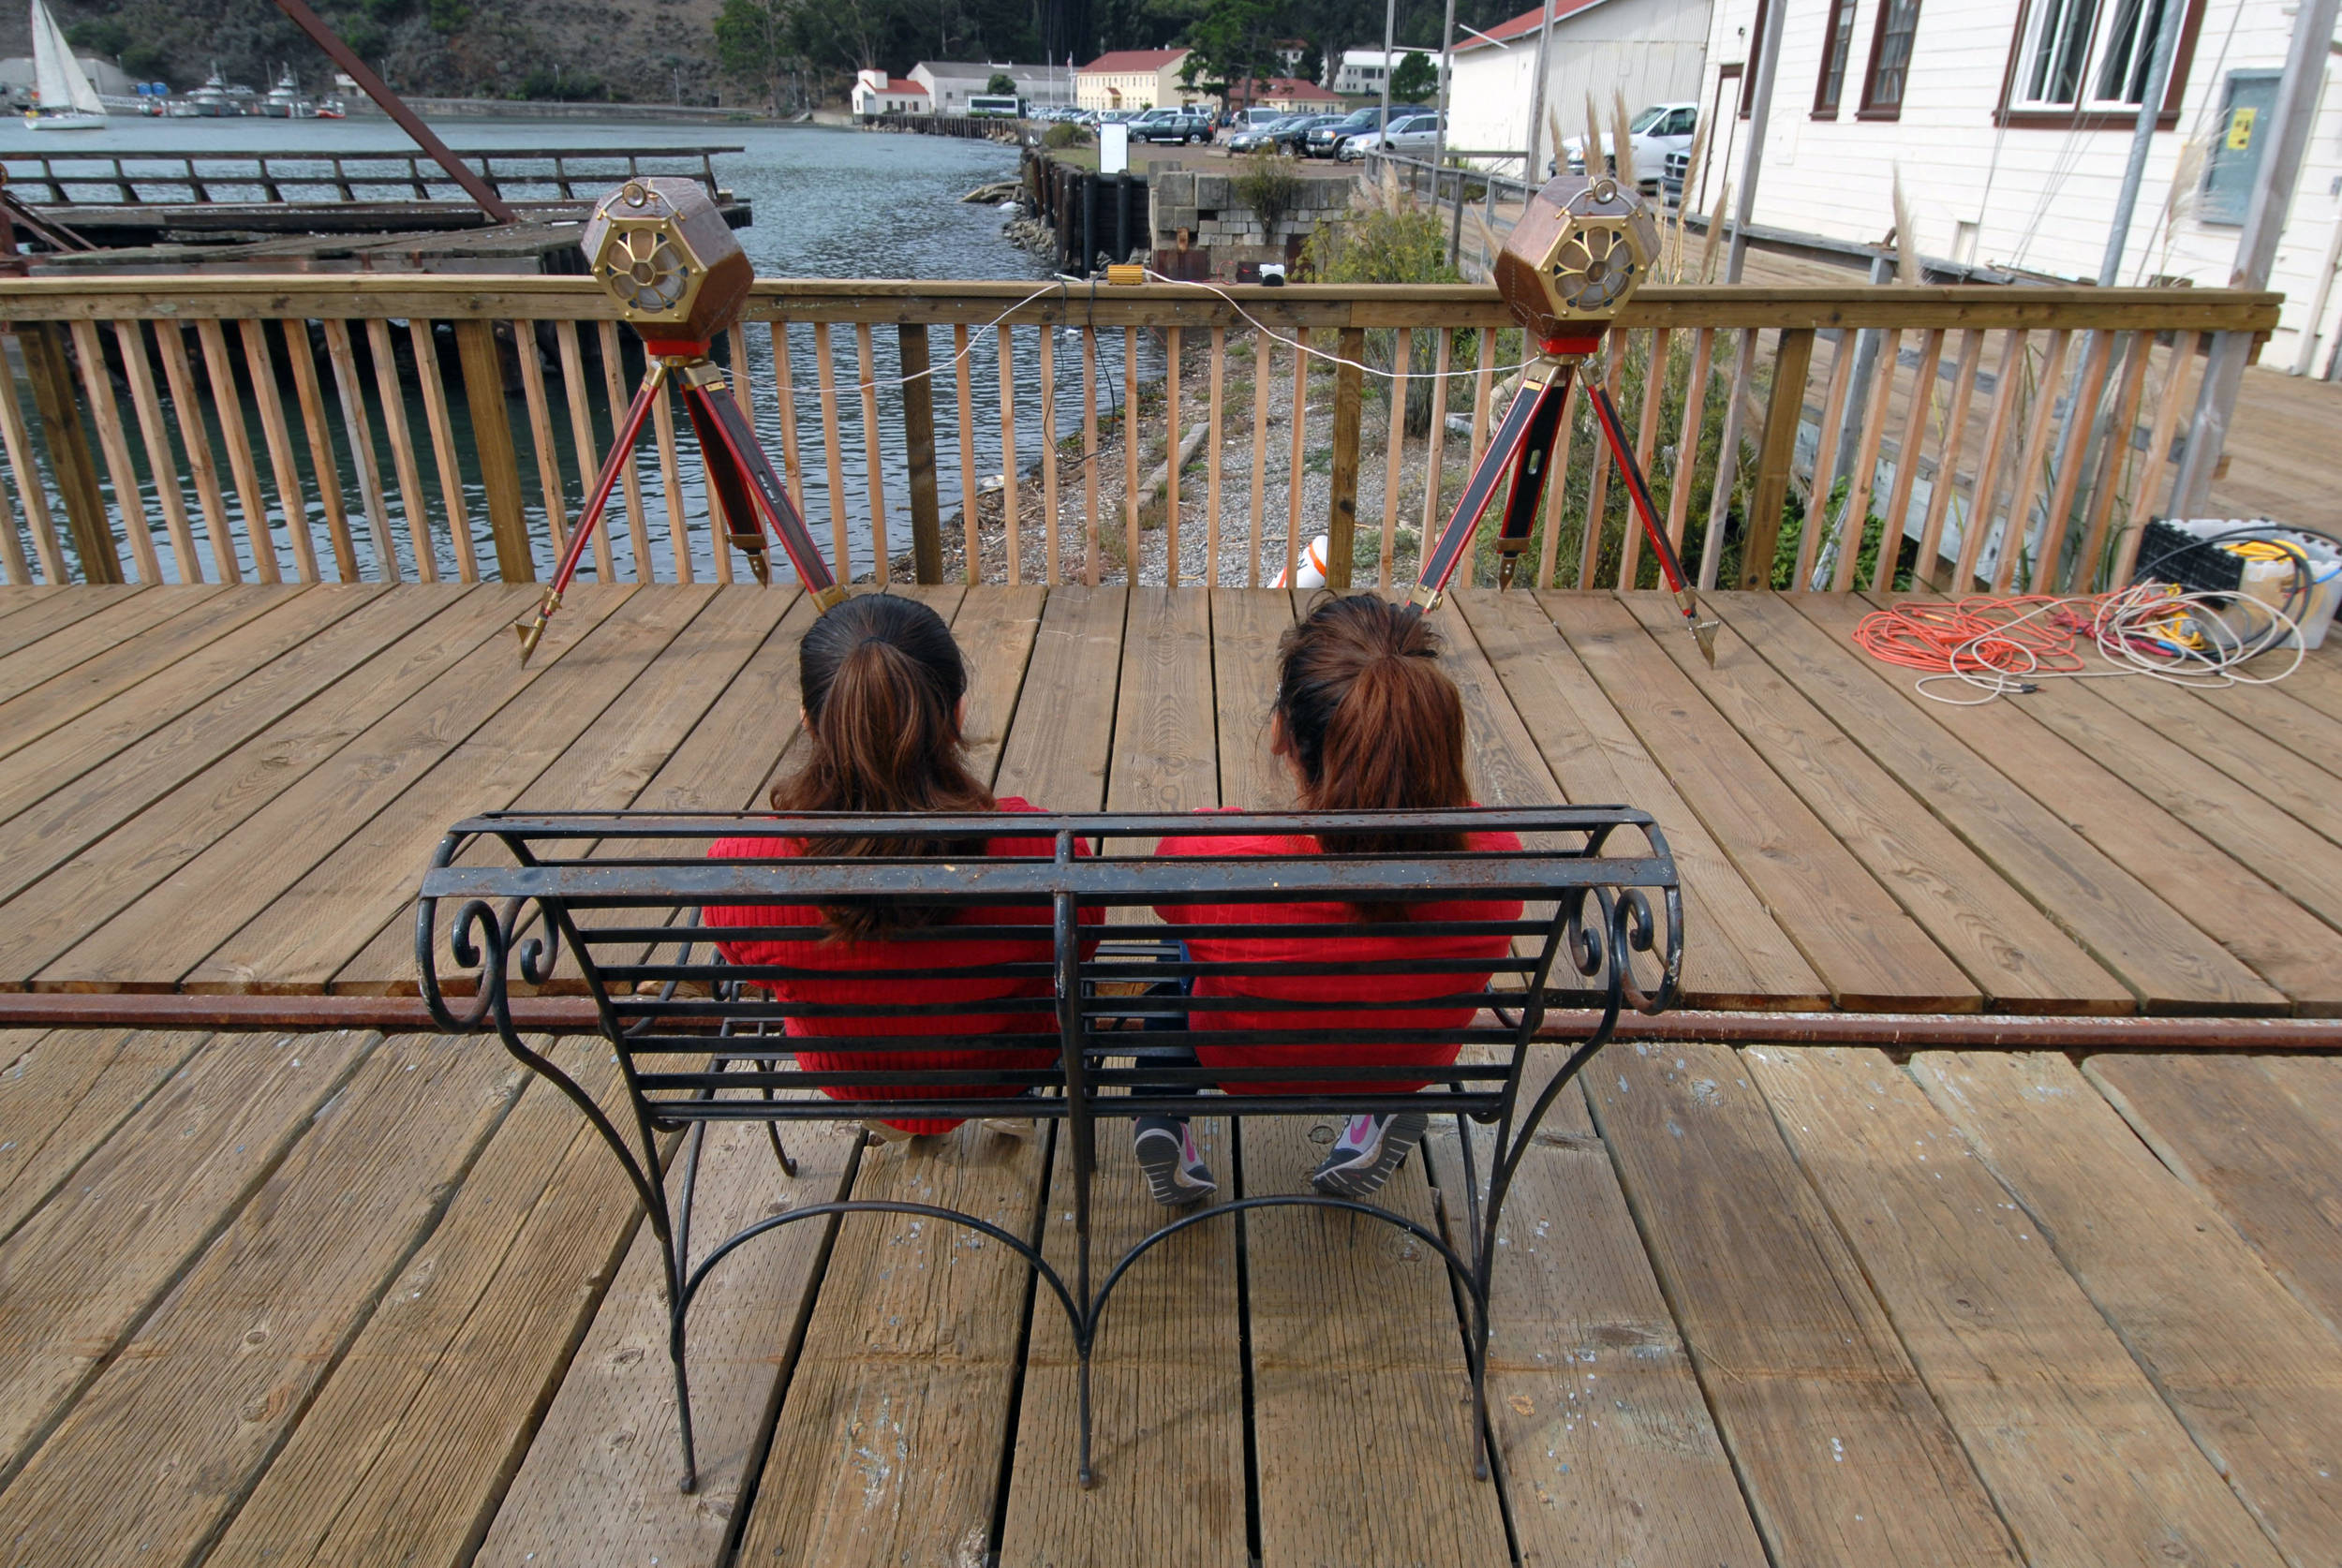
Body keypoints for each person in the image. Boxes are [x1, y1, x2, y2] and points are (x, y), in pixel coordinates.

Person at [1137, 595, 1523, 1206]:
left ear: (1280, 734)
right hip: (1402, 1059)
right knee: (1390, 987)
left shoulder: (1219, 859)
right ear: (1435, 742)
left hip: (1243, 1062)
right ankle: (1379, 1118)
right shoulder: (1498, 860)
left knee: (1180, 943)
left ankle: (1159, 1107)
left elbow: (1163, 883)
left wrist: (1218, 824)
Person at [703, 595, 1093, 1138]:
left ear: (811, 723)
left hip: (853, 1079)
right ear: (957, 712)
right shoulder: (1043, 852)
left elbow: (751, 966)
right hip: (999, 1068)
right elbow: (1080, 944)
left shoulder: (739, 869)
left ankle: (888, 1118)